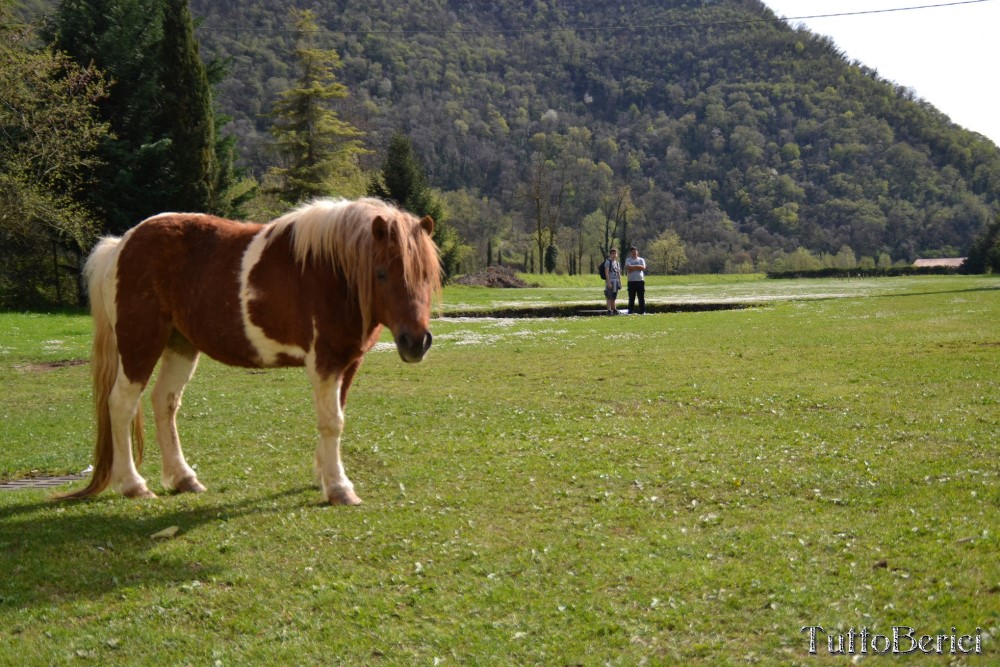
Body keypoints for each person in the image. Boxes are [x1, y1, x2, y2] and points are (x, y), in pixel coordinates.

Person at [624, 246, 647, 314]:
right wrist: (638, 267)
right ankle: (630, 312)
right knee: (631, 298)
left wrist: (633, 267)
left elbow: (643, 268)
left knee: (641, 297)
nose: (634, 253)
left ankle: (642, 311)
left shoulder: (641, 260)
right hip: (631, 281)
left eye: (635, 251)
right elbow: (628, 268)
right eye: (632, 252)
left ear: (637, 252)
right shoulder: (628, 260)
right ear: (630, 253)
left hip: (640, 281)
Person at [603, 248, 621, 315]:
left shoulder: (617, 263)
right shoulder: (608, 262)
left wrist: (620, 282)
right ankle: (609, 310)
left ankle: (614, 309)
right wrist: (608, 282)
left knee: (614, 296)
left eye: (615, 253)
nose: (614, 255)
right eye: (612, 253)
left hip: (616, 281)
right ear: (610, 255)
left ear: (617, 254)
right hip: (610, 281)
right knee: (609, 296)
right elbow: (606, 273)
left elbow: (618, 273)